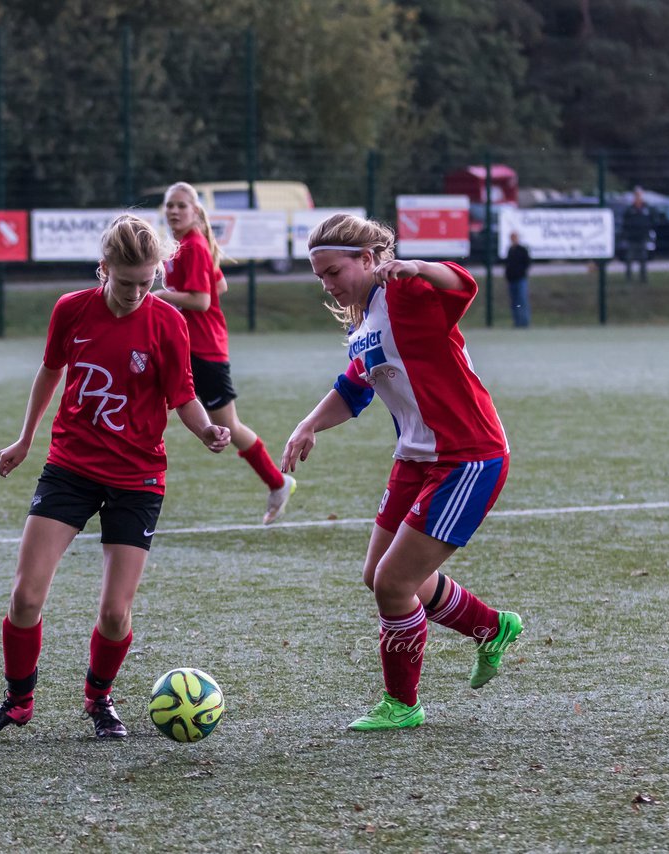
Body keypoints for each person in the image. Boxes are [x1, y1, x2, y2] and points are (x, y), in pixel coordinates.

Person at [0, 214, 231, 741]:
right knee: (25, 597)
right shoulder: (71, 310)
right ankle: (17, 703)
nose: (136, 292)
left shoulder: (168, 323)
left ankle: (99, 699)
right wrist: (25, 440)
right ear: (103, 268)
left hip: (137, 478)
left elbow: (183, 396)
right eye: (125, 281)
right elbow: (50, 371)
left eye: (147, 281)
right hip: (71, 467)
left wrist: (206, 431)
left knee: (115, 612)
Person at [281, 213, 523, 732]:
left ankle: (402, 704)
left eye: (332, 271)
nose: (326, 283)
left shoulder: (407, 292)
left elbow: (464, 284)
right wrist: (308, 425)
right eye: (319, 275)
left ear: (367, 259)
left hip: (466, 456)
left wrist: (417, 266)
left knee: (395, 582)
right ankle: (491, 627)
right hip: (415, 459)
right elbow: (353, 389)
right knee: (379, 577)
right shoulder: (364, 318)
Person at [155, 181, 296, 524]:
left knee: (227, 425)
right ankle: (126, 486)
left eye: (180, 206)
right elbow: (219, 284)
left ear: (195, 211)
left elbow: (203, 300)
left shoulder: (194, 246)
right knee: (148, 406)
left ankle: (278, 482)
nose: (173, 211)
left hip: (204, 350)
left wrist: (159, 296)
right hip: (184, 346)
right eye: (169, 205)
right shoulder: (184, 245)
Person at [622, 187, 654, 283]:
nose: (638, 197)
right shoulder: (630, 209)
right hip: (632, 238)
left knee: (643, 259)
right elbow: (625, 223)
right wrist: (626, 235)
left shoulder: (646, 208)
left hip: (642, 238)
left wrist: (648, 232)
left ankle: (643, 278)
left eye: (639, 195)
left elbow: (651, 221)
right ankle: (629, 279)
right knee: (629, 259)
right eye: (636, 195)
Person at [504, 231, 531, 328]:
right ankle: (517, 322)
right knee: (514, 302)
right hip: (512, 280)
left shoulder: (522, 250)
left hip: (520, 279)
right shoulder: (510, 250)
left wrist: (521, 272)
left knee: (522, 301)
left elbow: (527, 263)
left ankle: (524, 322)